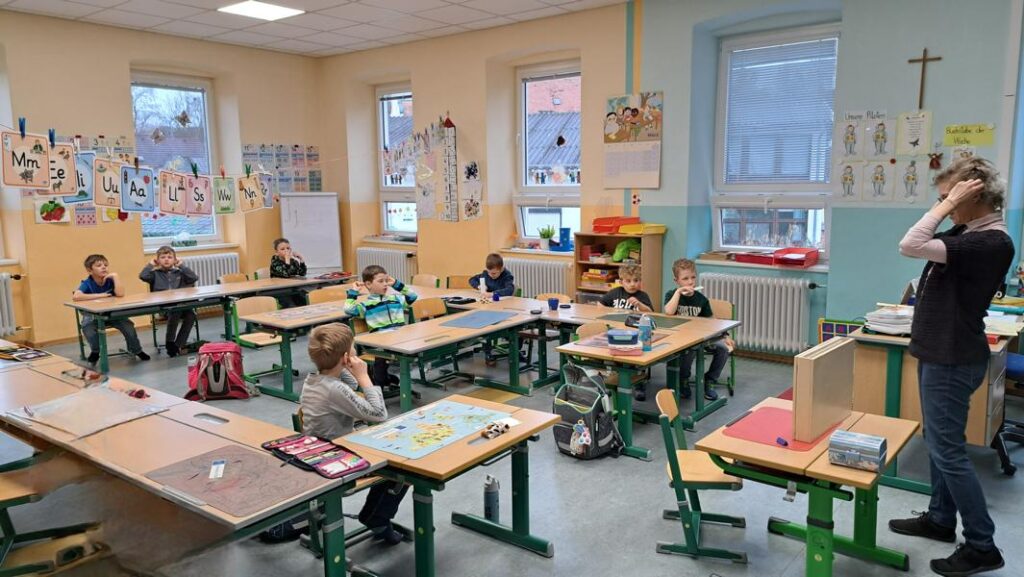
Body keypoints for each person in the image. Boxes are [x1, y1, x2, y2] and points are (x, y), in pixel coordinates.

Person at [892, 156, 1012, 577]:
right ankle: (941, 519)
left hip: (952, 357)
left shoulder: (990, 241)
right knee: (938, 441)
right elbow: (923, 244)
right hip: (940, 352)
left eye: (950, 197)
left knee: (948, 450)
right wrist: (949, 205)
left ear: (973, 195)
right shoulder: (967, 233)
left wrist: (946, 206)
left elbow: (910, 244)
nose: (943, 205)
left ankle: (982, 545)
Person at [300, 323, 408, 544]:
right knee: (404, 464)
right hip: (335, 458)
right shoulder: (334, 389)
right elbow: (379, 414)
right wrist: (365, 376)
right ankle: (377, 518)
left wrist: (349, 368)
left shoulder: (315, 379)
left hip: (321, 449)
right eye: (353, 347)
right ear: (345, 356)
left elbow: (350, 384)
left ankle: (376, 515)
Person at [663, 259, 732, 402]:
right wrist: (678, 293)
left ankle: (709, 380)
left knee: (723, 349)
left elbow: (712, 322)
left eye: (693, 277)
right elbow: (669, 311)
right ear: (676, 281)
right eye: (685, 279)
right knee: (689, 350)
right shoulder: (671, 295)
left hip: (701, 338)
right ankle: (683, 380)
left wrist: (725, 336)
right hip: (680, 338)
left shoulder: (701, 299)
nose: (690, 282)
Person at [344, 265, 418, 391]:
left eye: (386, 281)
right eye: (380, 281)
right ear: (368, 284)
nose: (385, 284)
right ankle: (379, 385)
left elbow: (413, 296)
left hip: (399, 338)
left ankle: (385, 379)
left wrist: (396, 284)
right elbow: (348, 309)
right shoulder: (366, 305)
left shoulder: (396, 299)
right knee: (381, 356)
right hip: (380, 342)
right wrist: (353, 292)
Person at [73, 254, 149, 364]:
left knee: (128, 326)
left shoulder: (110, 280)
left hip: (112, 314)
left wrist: (115, 276)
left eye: (105, 265)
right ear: (90, 270)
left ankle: (137, 350)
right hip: (93, 316)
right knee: (87, 328)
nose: (103, 267)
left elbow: (120, 294)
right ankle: (95, 351)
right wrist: (101, 295)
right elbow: (76, 296)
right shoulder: (87, 283)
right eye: (99, 265)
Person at [139, 246, 198, 357]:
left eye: (170, 257)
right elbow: (143, 276)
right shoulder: (155, 274)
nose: (166, 259)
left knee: (191, 315)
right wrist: (151, 264)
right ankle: (170, 342)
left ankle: (178, 345)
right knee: (175, 311)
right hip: (163, 307)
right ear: (158, 260)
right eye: (163, 257)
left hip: (181, 304)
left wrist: (181, 265)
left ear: (174, 260)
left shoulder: (179, 272)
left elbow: (193, 278)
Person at [469, 253, 519, 366]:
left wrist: (491, 294)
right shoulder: (485, 274)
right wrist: (479, 286)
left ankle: (511, 345)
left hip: (504, 309)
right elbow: (472, 280)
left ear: (501, 269)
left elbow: (509, 290)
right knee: (484, 323)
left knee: (495, 326)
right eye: (489, 272)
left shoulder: (507, 276)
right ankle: (487, 350)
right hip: (489, 307)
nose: (491, 275)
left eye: (494, 273)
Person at [270, 237, 307, 308]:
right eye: (282, 249)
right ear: (276, 252)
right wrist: (287, 259)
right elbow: (286, 274)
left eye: (288, 248)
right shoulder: (275, 262)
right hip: (279, 290)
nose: (286, 251)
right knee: (291, 305)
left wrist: (301, 259)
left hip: (292, 288)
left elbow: (302, 273)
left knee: (306, 300)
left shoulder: (293, 261)